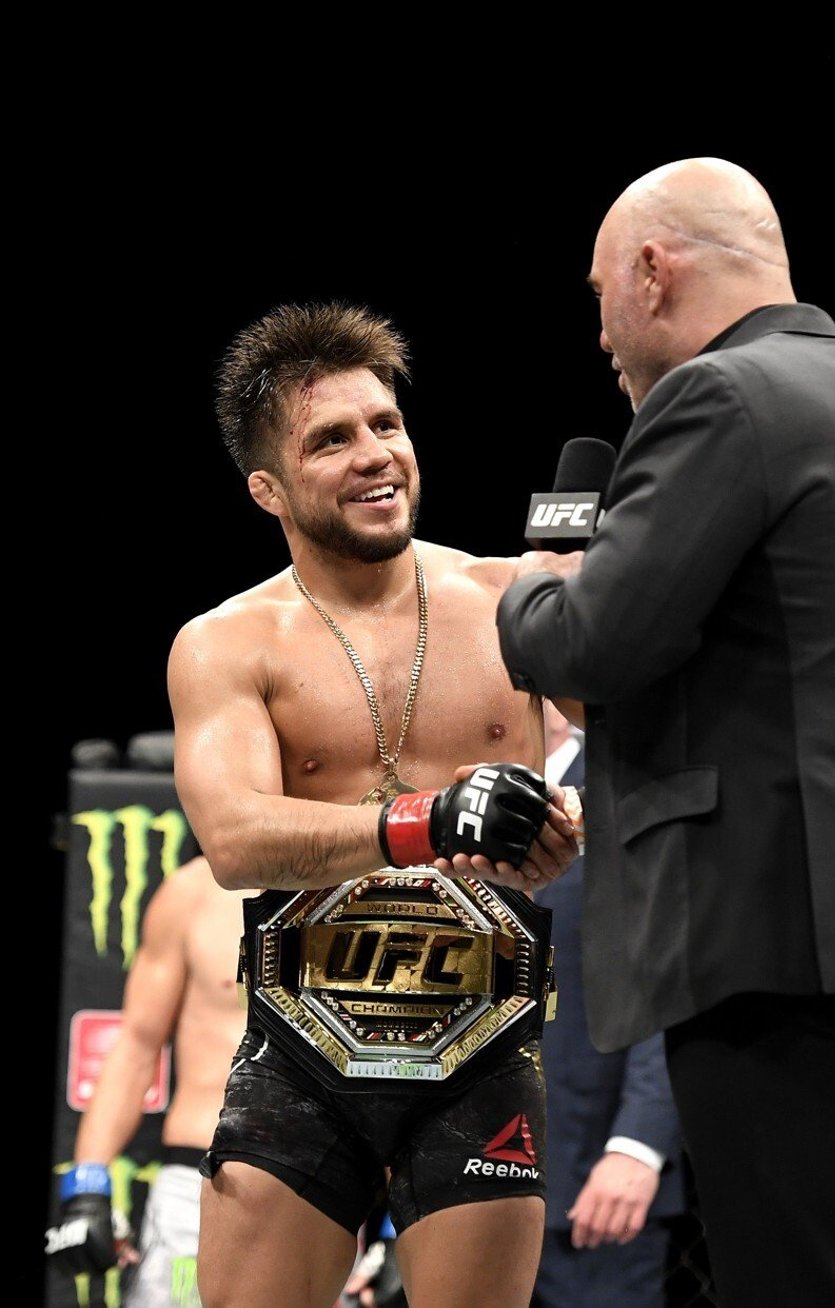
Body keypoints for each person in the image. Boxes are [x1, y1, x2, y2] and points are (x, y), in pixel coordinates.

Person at [488, 158, 835, 1307]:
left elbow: (593, 644)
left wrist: (532, 587)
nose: (602, 335)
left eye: (599, 292)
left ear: (653, 273)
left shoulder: (721, 398)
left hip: (781, 928)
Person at [164, 301, 581, 1308]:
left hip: (479, 1050)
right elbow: (234, 839)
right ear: (267, 488)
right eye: (331, 439)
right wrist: (429, 821)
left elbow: (690, 715)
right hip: (299, 1063)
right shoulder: (229, 644)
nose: (372, 454)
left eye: (384, 424)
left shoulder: (508, 602)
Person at [531, 700, 685, 1308]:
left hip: (592, 1182)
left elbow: (672, 978)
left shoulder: (638, 789)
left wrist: (638, 1144)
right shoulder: (448, 800)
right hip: (454, 1183)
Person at [45, 855, 251, 1307]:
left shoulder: (374, 887)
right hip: (200, 1183)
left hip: (335, 1185)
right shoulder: (195, 891)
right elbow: (137, 1044)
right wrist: (86, 1186)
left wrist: (396, 1221)